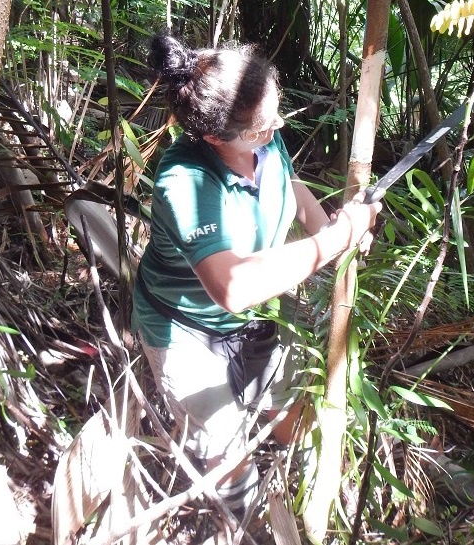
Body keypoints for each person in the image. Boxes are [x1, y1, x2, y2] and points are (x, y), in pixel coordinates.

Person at [131, 32, 382, 529]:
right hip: (184, 331)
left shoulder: (262, 135)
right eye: (266, 128)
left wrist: (327, 228)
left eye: (277, 114)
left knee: (293, 418)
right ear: (214, 137)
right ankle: (239, 523)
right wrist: (331, 246)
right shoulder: (184, 181)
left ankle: (298, 486)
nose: (279, 128)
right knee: (229, 460)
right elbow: (233, 289)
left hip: (253, 320)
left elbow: (288, 180)